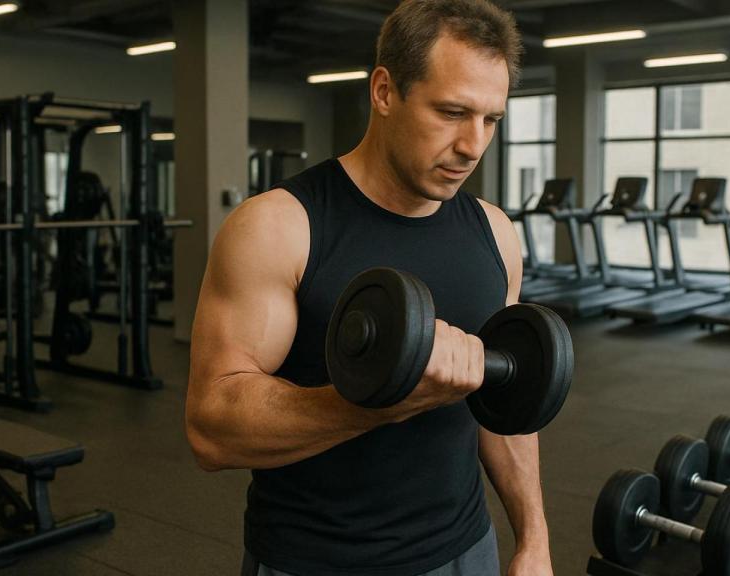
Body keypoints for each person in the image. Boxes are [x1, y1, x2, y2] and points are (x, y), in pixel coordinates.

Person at [186, 1, 553, 574]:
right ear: (384, 91)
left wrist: (533, 538)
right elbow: (211, 428)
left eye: (491, 120)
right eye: (452, 112)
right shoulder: (280, 227)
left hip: (467, 550)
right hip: (317, 561)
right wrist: (379, 404)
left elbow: (501, 402)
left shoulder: (496, 233)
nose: (473, 145)